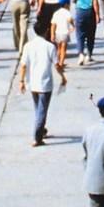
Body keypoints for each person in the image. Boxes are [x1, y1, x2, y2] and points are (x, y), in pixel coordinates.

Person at [17, 16, 62, 146]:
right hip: (45, 82)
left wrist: (21, 81)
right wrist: (63, 77)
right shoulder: (50, 46)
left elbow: (24, 65)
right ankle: (37, 137)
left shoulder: (28, 46)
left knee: (38, 108)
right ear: (46, 31)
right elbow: (56, 64)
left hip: (33, 82)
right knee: (42, 109)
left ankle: (42, 130)